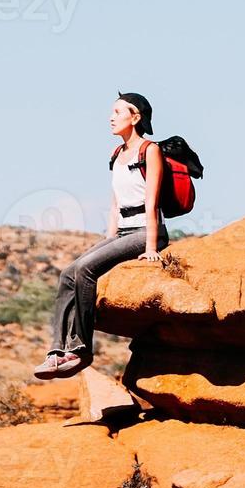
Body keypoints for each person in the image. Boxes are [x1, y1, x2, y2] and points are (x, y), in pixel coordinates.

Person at [34, 92, 170, 379]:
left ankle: (80, 349)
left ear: (135, 118)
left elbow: (152, 202)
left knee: (85, 269)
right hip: (122, 232)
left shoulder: (150, 150)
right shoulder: (115, 154)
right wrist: (108, 240)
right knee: (68, 273)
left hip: (146, 231)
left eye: (118, 112)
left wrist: (150, 247)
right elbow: (115, 202)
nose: (111, 116)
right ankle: (57, 351)